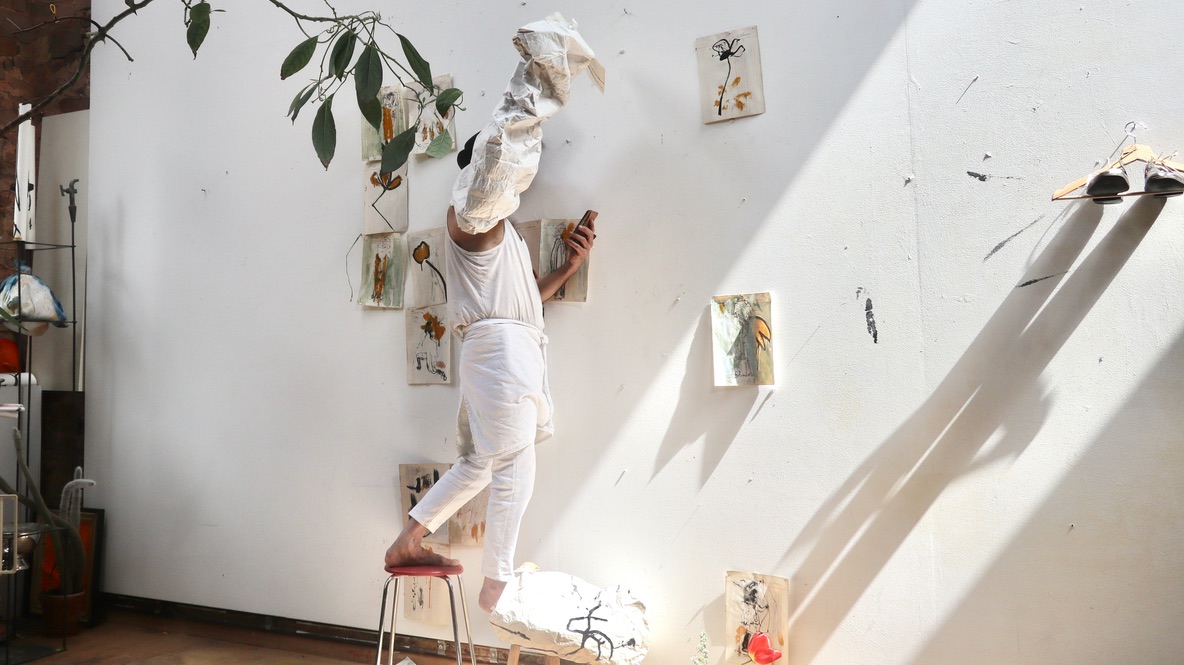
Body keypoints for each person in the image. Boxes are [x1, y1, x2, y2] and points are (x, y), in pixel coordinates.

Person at [384, 142, 596, 613]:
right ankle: (496, 583)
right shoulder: (472, 216)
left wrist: (568, 267)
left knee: (480, 464)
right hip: (502, 354)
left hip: (507, 348)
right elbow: (484, 190)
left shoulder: (503, 231)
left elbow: (524, 300)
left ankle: (408, 541)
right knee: (515, 463)